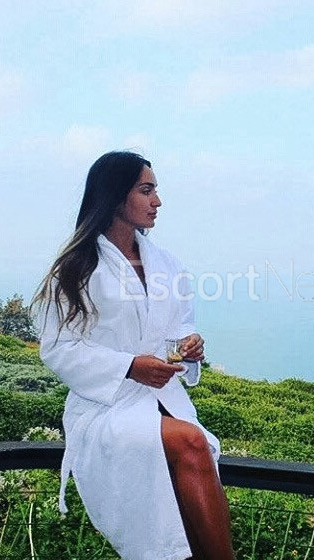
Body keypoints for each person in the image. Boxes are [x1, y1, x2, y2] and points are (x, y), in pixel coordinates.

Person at [32, 151, 235, 560]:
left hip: (162, 401)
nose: (157, 201)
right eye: (146, 190)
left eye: (154, 190)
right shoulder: (75, 269)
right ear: (114, 195)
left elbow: (177, 328)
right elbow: (58, 348)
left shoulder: (166, 265)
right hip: (104, 408)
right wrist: (128, 367)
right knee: (193, 443)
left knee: (193, 453)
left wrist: (189, 347)